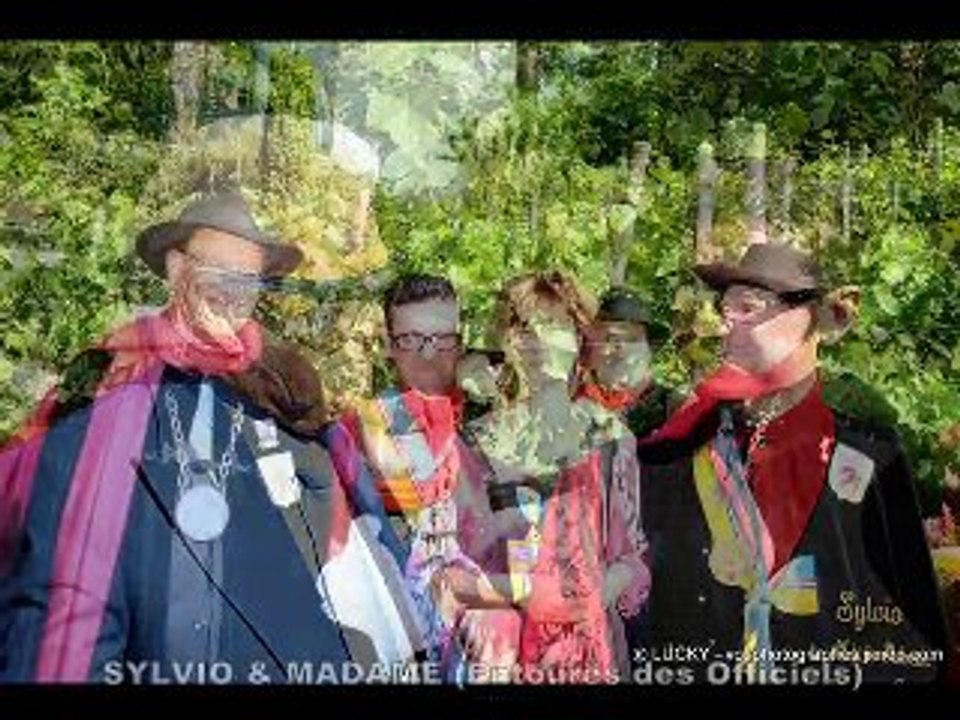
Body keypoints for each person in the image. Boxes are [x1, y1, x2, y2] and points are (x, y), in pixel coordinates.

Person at [0, 191, 421, 683]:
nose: (233, 292)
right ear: (177, 269)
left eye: (249, 279)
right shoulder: (116, 372)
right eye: (218, 272)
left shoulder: (281, 384)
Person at [637, 242, 949, 684]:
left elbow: (912, 623)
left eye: (748, 308)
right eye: (726, 309)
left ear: (813, 318)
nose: (725, 324)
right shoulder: (676, 452)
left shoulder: (872, 454)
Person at [458, 271, 650, 684]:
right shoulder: (478, 442)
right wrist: (526, 592)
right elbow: (461, 567)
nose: (538, 341)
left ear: (580, 338)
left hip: (590, 650)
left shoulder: (610, 437)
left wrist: (592, 596)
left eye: (554, 326)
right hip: (506, 654)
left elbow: (632, 557)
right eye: (524, 329)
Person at [336, 273, 489, 677]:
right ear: (389, 345)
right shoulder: (375, 420)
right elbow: (418, 494)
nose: (428, 353)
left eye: (442, 338)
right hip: (406, 629)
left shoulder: (491, 415)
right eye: (411, 339)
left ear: (461, 341)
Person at [581, 287, 679, 439]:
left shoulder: (675, 409)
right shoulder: (577, 409)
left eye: (632, 340)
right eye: (610, 340)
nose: (622, 350)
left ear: (649, 348)